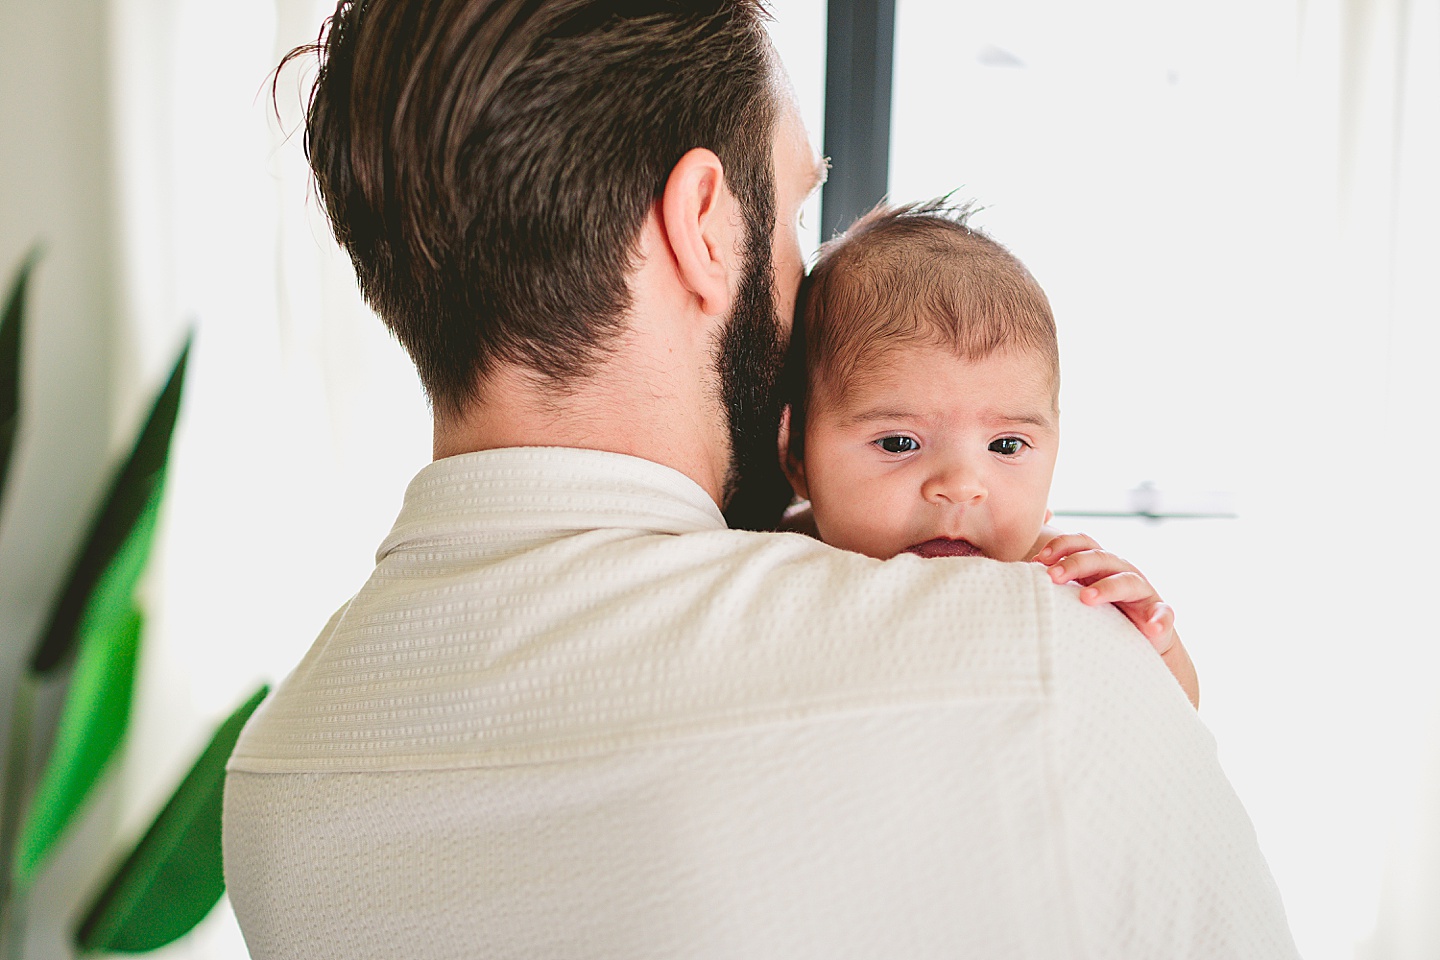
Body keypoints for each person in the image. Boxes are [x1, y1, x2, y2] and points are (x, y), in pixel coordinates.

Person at [223, 1, 1299, 957]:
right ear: (703, 225)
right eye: (789, 216)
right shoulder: (1039, 662)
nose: (808, 281)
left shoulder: (275, 785)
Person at [779, 199, 1198, 706]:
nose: (962, 484)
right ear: (797, 455)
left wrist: (1157, 645)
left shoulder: (1054, 568)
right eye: (899, 443)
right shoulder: (776, 557)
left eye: (1005, 446)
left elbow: (1179, 714)